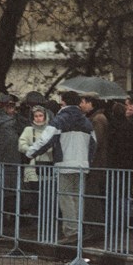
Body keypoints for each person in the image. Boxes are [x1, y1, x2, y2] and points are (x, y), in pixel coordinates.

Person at [26, 91, 96, 243]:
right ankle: (79, 229)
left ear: (63, 102)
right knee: (78, 198)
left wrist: (30, 153)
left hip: (65, 164)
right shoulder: (86, 122)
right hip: (82, 165)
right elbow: (93, 145)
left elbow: (46, 140)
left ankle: (72, 231)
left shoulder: (59, 120)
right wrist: (88, 162)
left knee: (65, 198)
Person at [79, 92, 109, 232]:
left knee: (92, 194)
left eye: (83, 102)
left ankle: (95, 227)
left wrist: (89, 159)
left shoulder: (97, 119)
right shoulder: (95, 118)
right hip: (96, 163)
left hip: (96, 163)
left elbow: (95, 142)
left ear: (91, 103)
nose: (81, 105)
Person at [18, 105, 53, 216]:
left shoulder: (50, 130)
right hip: (32, 167)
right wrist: (33, 150)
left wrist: (47, 149)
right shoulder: (28, 130)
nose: (38, 118)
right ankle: (35, 216)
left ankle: (45, 216)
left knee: (47, 194)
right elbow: (21, 145)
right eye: (36, 116)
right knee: (34, 193)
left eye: (41, 115)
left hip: (48, 165)